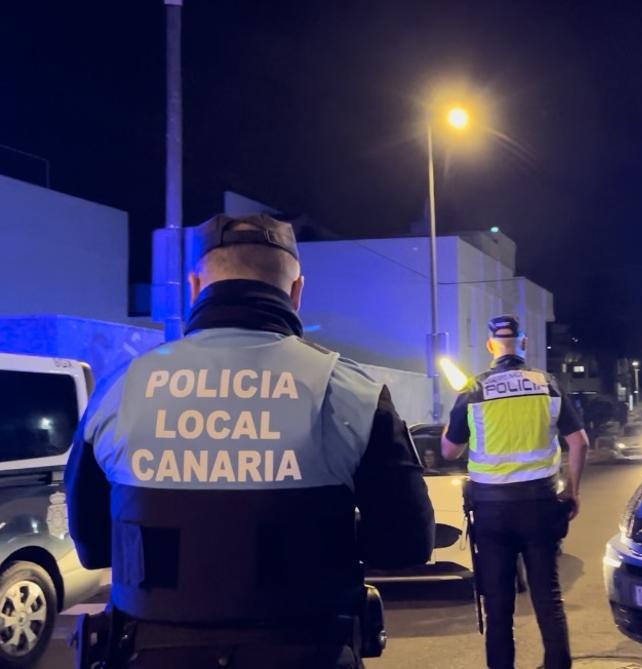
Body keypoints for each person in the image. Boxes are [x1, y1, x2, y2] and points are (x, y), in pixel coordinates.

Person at [65, 213, 435, 668]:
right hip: (308, 651)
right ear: (297, 291)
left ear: (195, 286)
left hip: (148, 651)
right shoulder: (349, 391)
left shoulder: (120, 388)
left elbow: (93, 546)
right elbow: (407, 543)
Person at [441, 315, 588, 669]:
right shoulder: (548, 384)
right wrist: (573, 490)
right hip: (540, 504)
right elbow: (579, 443)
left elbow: (449, 451)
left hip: (492, 510)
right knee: (548, 598)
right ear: (523, 344)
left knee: (498, 604)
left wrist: (455, 419)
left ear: (492, 346)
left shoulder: (473, 389)